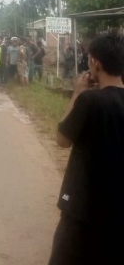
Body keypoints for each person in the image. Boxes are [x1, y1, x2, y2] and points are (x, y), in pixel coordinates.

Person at [48, 34, 124, 265]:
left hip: (84, 207)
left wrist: (77, 92)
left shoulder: (90, 100)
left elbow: (62, 139)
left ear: (95, 62)